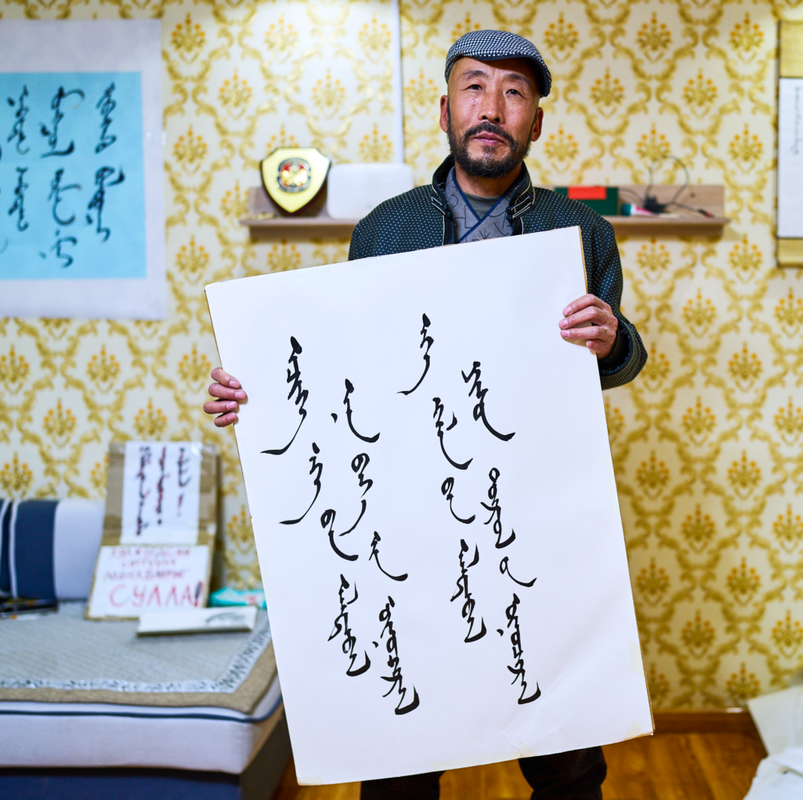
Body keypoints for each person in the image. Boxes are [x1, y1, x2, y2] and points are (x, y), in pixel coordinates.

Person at [204, 30, 647, 800]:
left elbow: (616, 358)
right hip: (406, 518)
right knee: (403, 751)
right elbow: (345, 366)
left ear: (536, 122)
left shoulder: (580, 233)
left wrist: (612, 339)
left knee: (566, 755)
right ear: (446, 111)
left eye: (514, 92)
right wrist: (258, 395)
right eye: (475, 87)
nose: (492, 107)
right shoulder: (385, 227)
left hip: (533, 515)